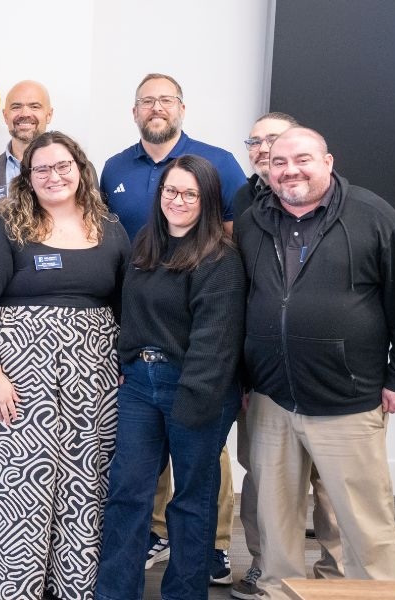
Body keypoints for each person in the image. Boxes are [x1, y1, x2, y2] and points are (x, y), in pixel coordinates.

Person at [236, 128, 395, 600]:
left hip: (347, 396)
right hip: (269, 396)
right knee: (274, 515)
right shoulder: (252, 220)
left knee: (363, 517)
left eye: (302, 159)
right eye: (279, 162)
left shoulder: (372, 215)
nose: (290, 171)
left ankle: (377, 593)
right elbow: (242, 301)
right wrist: (241, 377)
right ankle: (278, 590)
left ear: (327, 161)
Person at [0, 131, 129, 599]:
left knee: (86, 477)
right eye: (42, 169)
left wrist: (122, 358)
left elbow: (125, 300)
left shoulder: (110, 227)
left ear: (80, 169)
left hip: (93, 372)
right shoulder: (7, 226)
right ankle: (14, 584)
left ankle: (73, 584)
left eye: (63, 167)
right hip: (17, 371)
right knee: (17, 478)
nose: (54, 176)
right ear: (28, 178)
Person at [101, 73, 246, 578]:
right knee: (127, 495)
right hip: (142, 384)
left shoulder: (220, 257)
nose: (177, 200)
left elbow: (215, 338)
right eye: (170, 191)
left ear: (208, 197)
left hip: (196, 387)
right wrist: (125, 361)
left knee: (192, 501)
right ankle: (114, 592)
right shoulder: (144, 247)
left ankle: (185, 591)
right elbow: (130, 309)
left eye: (189, 194)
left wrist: (192, 399)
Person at [227, 112, 343, 600]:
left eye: (273, 141)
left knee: (334, 486)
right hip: (267, 377)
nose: (263, 151)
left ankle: (339, 577)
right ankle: (265, 566)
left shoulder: (345, 208)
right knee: (266, 480)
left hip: (336, 381)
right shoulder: (243, 205)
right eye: (257, 143)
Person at [101, 73, 247, 238]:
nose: (156, 108)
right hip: (131, 265)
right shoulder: (114, 168)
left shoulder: (221, 163)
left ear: (182, 110)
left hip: (199, 264)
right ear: (135, 113)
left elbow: (240, 238)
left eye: (166, 100)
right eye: (147, 101)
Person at [0, 80, 53, 204]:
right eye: (16, 107)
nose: (25, 113)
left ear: (49, 115)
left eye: (34, 106)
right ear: (6, 116)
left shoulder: (77, 170)